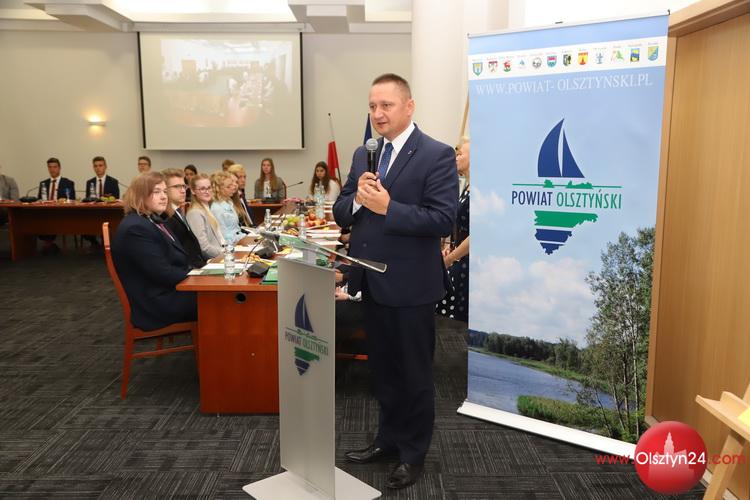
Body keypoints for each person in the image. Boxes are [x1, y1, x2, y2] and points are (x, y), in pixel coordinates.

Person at [333, 73, 458, 490]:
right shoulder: (363, 153)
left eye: (386, 105)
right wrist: (357, 199)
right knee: (383, 372)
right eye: (372, 106)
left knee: (413, 376)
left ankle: (412, 454)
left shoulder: (436, 154)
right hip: (371, 282)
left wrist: (389, 207)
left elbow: (442, 219)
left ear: (409, 106)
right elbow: (341, 212)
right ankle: (387, 440)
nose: (378, 114)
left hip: (411, 286)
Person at [111, 172, 197, 331]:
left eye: (164, 191)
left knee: (220, 295)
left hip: (168, 291)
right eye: (156, 192)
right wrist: (198, 276)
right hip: (157, 303)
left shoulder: (151, 220)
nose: (164, 197)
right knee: (218, 299)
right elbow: (163, 273)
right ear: (140, 195)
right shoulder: (135, 228)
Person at [438, 138, 470, 323]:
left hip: (467, 265)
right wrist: (450, 248)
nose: (456, 158)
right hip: (459, 258)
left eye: (460, 154)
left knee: (457, 321)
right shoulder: (467, 187)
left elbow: (476, 236)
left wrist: (450, 258)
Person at [162, 168, 206, 269]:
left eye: (183, 186)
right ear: (165, 189)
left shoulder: (178, 211)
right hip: (187, 270)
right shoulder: (165, 216)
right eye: (176, 187)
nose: (183, 191)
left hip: (198, 265)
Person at [37, 157, 76, 254]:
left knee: (50, 218)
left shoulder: (68, 183)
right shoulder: (43, 183)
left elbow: (71, 199)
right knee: (35, 218)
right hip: (45, 211)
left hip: (60, 211)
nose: (52, 169)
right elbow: (39, 199)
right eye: (50, 167)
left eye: (54, 167)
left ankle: (48, 243)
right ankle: (48, 243)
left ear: (59, 168)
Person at [186, 173, 224, 259]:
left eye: (209, 187)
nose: (207, 191)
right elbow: (204, 248)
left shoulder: (206, 208)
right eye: (202, 189)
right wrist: (226, 254)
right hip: (214, 259)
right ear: (193, 191)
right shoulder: (195, 213)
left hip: (221, 254)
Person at [211, 171, 246, 246]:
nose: (233, 187)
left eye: (232, 184)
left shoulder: (229, 202)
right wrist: (241, 239)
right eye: (228, 186)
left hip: (239, 239)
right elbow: (224, 235)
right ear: (219, 189)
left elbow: (236, 229)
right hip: (231, 245)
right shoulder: (216, 208)